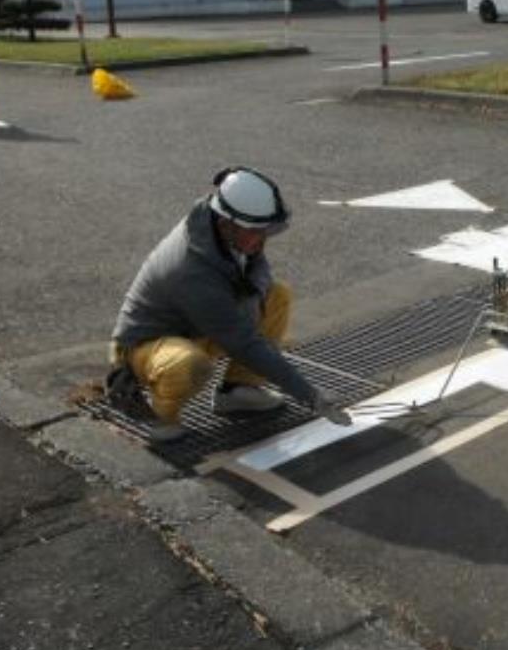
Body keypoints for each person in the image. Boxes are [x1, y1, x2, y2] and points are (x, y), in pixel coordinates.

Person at [106, 167, 351, 443]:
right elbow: (243, 341)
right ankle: (160, 418)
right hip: (144, 347)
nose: (262, 238)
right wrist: (311, 395)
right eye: (256, 232)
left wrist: (251, 315)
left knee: (276, 296)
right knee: (191, 365)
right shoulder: (193, 270)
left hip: (194, 328)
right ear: (226, 224)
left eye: (266, 230)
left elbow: (255, 278)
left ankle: (238, 390)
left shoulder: (228, 233)